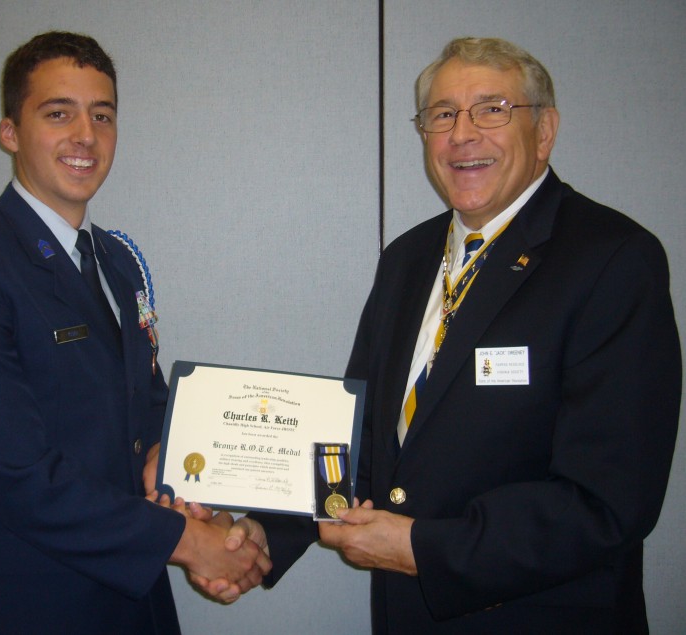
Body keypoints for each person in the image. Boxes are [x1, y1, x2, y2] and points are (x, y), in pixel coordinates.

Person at [203, 37, 682, 633]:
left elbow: (610, 501)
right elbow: (361, 437)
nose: (462, 133)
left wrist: (424, 549)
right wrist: (267, 533)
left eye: (492, 109)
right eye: (442, 115)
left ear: (546, 131)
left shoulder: (611, 259)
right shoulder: (407, 258)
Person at [0, 31, 268, 634]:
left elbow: (142, 404)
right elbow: (16, 473)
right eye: (57, 113)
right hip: (17, 602)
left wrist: (165, 459)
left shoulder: (115, 261)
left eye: (103, 115)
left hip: (126, 598)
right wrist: (185, 541)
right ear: (10, 132)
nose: (85, 135)